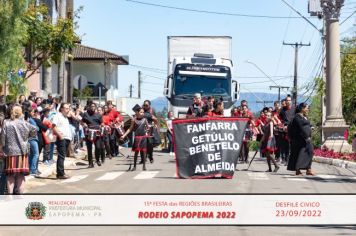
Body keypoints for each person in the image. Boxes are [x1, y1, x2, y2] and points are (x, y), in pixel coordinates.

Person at [1, 105, 37, 194]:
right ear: (20, 112)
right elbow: (34, 130)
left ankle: (9, 195)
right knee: (21, 175)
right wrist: (27, 137)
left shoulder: (6, 122)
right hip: (22, 152)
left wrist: (1, 147)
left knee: (10, 175)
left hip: (10, 152)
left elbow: (2, 138)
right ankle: (20, 195)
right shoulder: (25, 123)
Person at [287, 103, 315, 176]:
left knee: (310, 152)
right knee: (300, 154)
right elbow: (301, 128)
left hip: (305, 139)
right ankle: (298, 170)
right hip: (300, 139)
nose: (308, 109)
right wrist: (306, 137)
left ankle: (308, 169)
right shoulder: (297, 117)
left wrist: (311, 127)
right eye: (306, 108)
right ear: (302, 109)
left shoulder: (304, 116)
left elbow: (307, 124)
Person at [121, 105, 150, 171]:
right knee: (136, 152)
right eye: (141, 112)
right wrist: (124, 135)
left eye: (143, 112)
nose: (142, 113)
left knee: (144, 152)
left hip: (143, 138)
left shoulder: (145, 120)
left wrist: (147, 131)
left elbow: (148, 128)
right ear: (137, 112)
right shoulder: (134, 120)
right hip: (137, 138)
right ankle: (134, 166)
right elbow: (130, 129)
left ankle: (144, 166)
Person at [51, 103, 72, 179]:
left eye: (68, 108)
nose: (68, 110)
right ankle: (60, 173)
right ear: (62, 109)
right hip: (62, 139)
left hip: (67, 138)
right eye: (66, 108)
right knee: (61, 156)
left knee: (63, 156)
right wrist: (60, 136)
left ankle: (61, 172)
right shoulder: (58, 116)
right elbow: (53, 126)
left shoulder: (65, 118)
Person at [81, 103, 105, 168]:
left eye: (94, 106)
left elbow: (102, 123)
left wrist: (102, 125)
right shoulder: (86, 114)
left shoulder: (99, 115)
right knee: (89, 149)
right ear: (89, 107)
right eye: (91, 106)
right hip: (88, 133)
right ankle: (90, 163)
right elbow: (81, 121)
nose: (92, 107)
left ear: (95, 107)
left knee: (98, 147)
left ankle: (97, 159)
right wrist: (84, 124)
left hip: (96, 133)